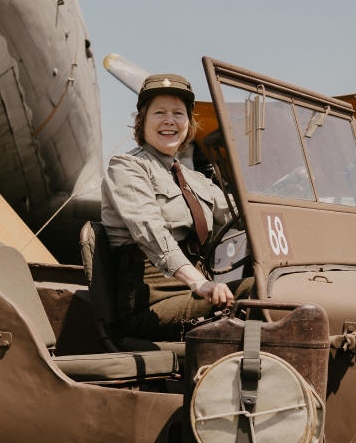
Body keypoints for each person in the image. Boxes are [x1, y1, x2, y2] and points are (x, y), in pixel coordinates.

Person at [101, 73, 252, 341]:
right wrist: (199, 283)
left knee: (275, 285)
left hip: (196, 290)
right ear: (142, 122)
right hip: (150, 302)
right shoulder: (127, 167)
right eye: (159, 112)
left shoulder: (196, 180)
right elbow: (150, 231)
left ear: (188, 123)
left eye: (178, 113)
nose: (169, 120)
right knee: (257, 293)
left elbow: (239, 216)